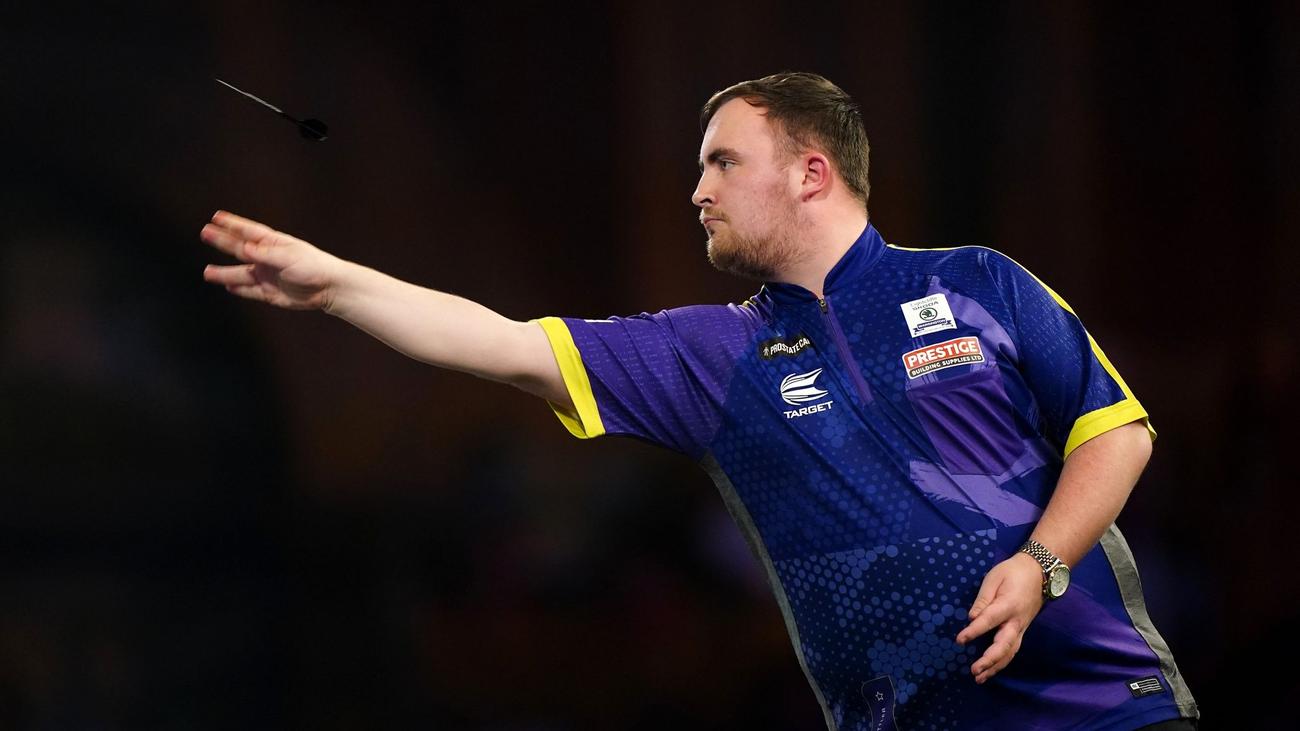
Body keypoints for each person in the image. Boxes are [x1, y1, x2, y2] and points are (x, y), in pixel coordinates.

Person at [201, 72, 1199, 730]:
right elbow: (504, 344)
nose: (697, 190)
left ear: (811, 172)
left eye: (723, 161)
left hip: (1104, 708)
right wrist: (335, 286)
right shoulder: (710, 353)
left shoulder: (978, 280)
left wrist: (1039, 563)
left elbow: (1117, 433)